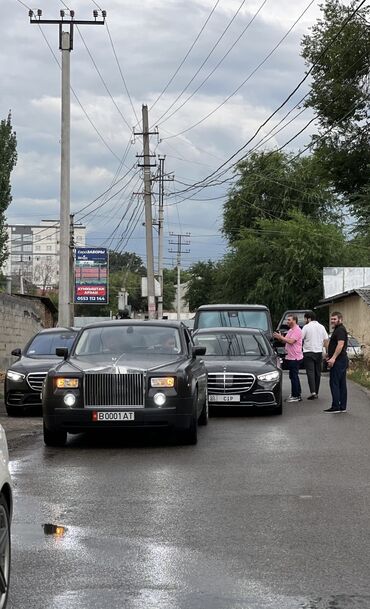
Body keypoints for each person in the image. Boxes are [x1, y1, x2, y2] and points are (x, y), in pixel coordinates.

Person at [273, 314, 303, 402]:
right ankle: (297, 392)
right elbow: (285, 340)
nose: (287, 322)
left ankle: (296, 395)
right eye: (287, 320)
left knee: (294, 376)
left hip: (295, 357)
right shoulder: (290, 330)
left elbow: (291, 341)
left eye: (289, 320)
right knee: (293, 376)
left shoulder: (297, 330)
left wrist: (281, 337)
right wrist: (279, 337)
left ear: (294, 320)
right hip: (290, 356)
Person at [324, 311, 348, 413]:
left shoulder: (340, 330)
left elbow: (340, 345)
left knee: (334, 383)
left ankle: (336, 406)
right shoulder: (338, 330)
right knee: (341, 383)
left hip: (339, 361)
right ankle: (342, 406)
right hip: (341, 360)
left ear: (340, 319)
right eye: (332, 319)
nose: (332, 321)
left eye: (334, 319)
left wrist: (333, 358)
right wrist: (328, 354)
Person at [302, 311, 328, 400]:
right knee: (318, 373)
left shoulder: (306, 327)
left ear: (308, 318)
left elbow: (301, 338)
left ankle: (312, 392)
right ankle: (316, 391)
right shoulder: (322, 327)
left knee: (310, 372)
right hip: (319, 352)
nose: (304, 320)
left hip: (308, 352)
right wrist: (325, 351)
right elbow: (326, 340)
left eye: (305, 319)